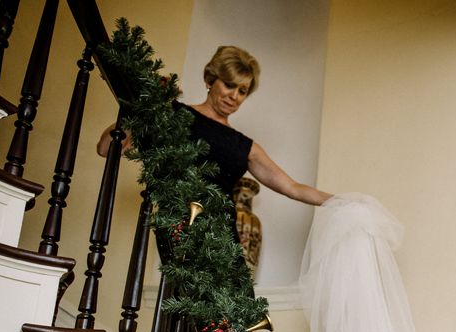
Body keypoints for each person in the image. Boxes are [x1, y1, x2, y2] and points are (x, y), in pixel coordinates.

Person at [100, 45, 331, 223]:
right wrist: (147, 107)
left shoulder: (244, 146)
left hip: (223, 241)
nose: (235, 96)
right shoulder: (173, 113)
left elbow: (292, 187)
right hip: (180, 226)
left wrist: (342, 201)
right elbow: (105, 148)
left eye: (242, 91)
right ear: (211, 80)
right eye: (229, 85)